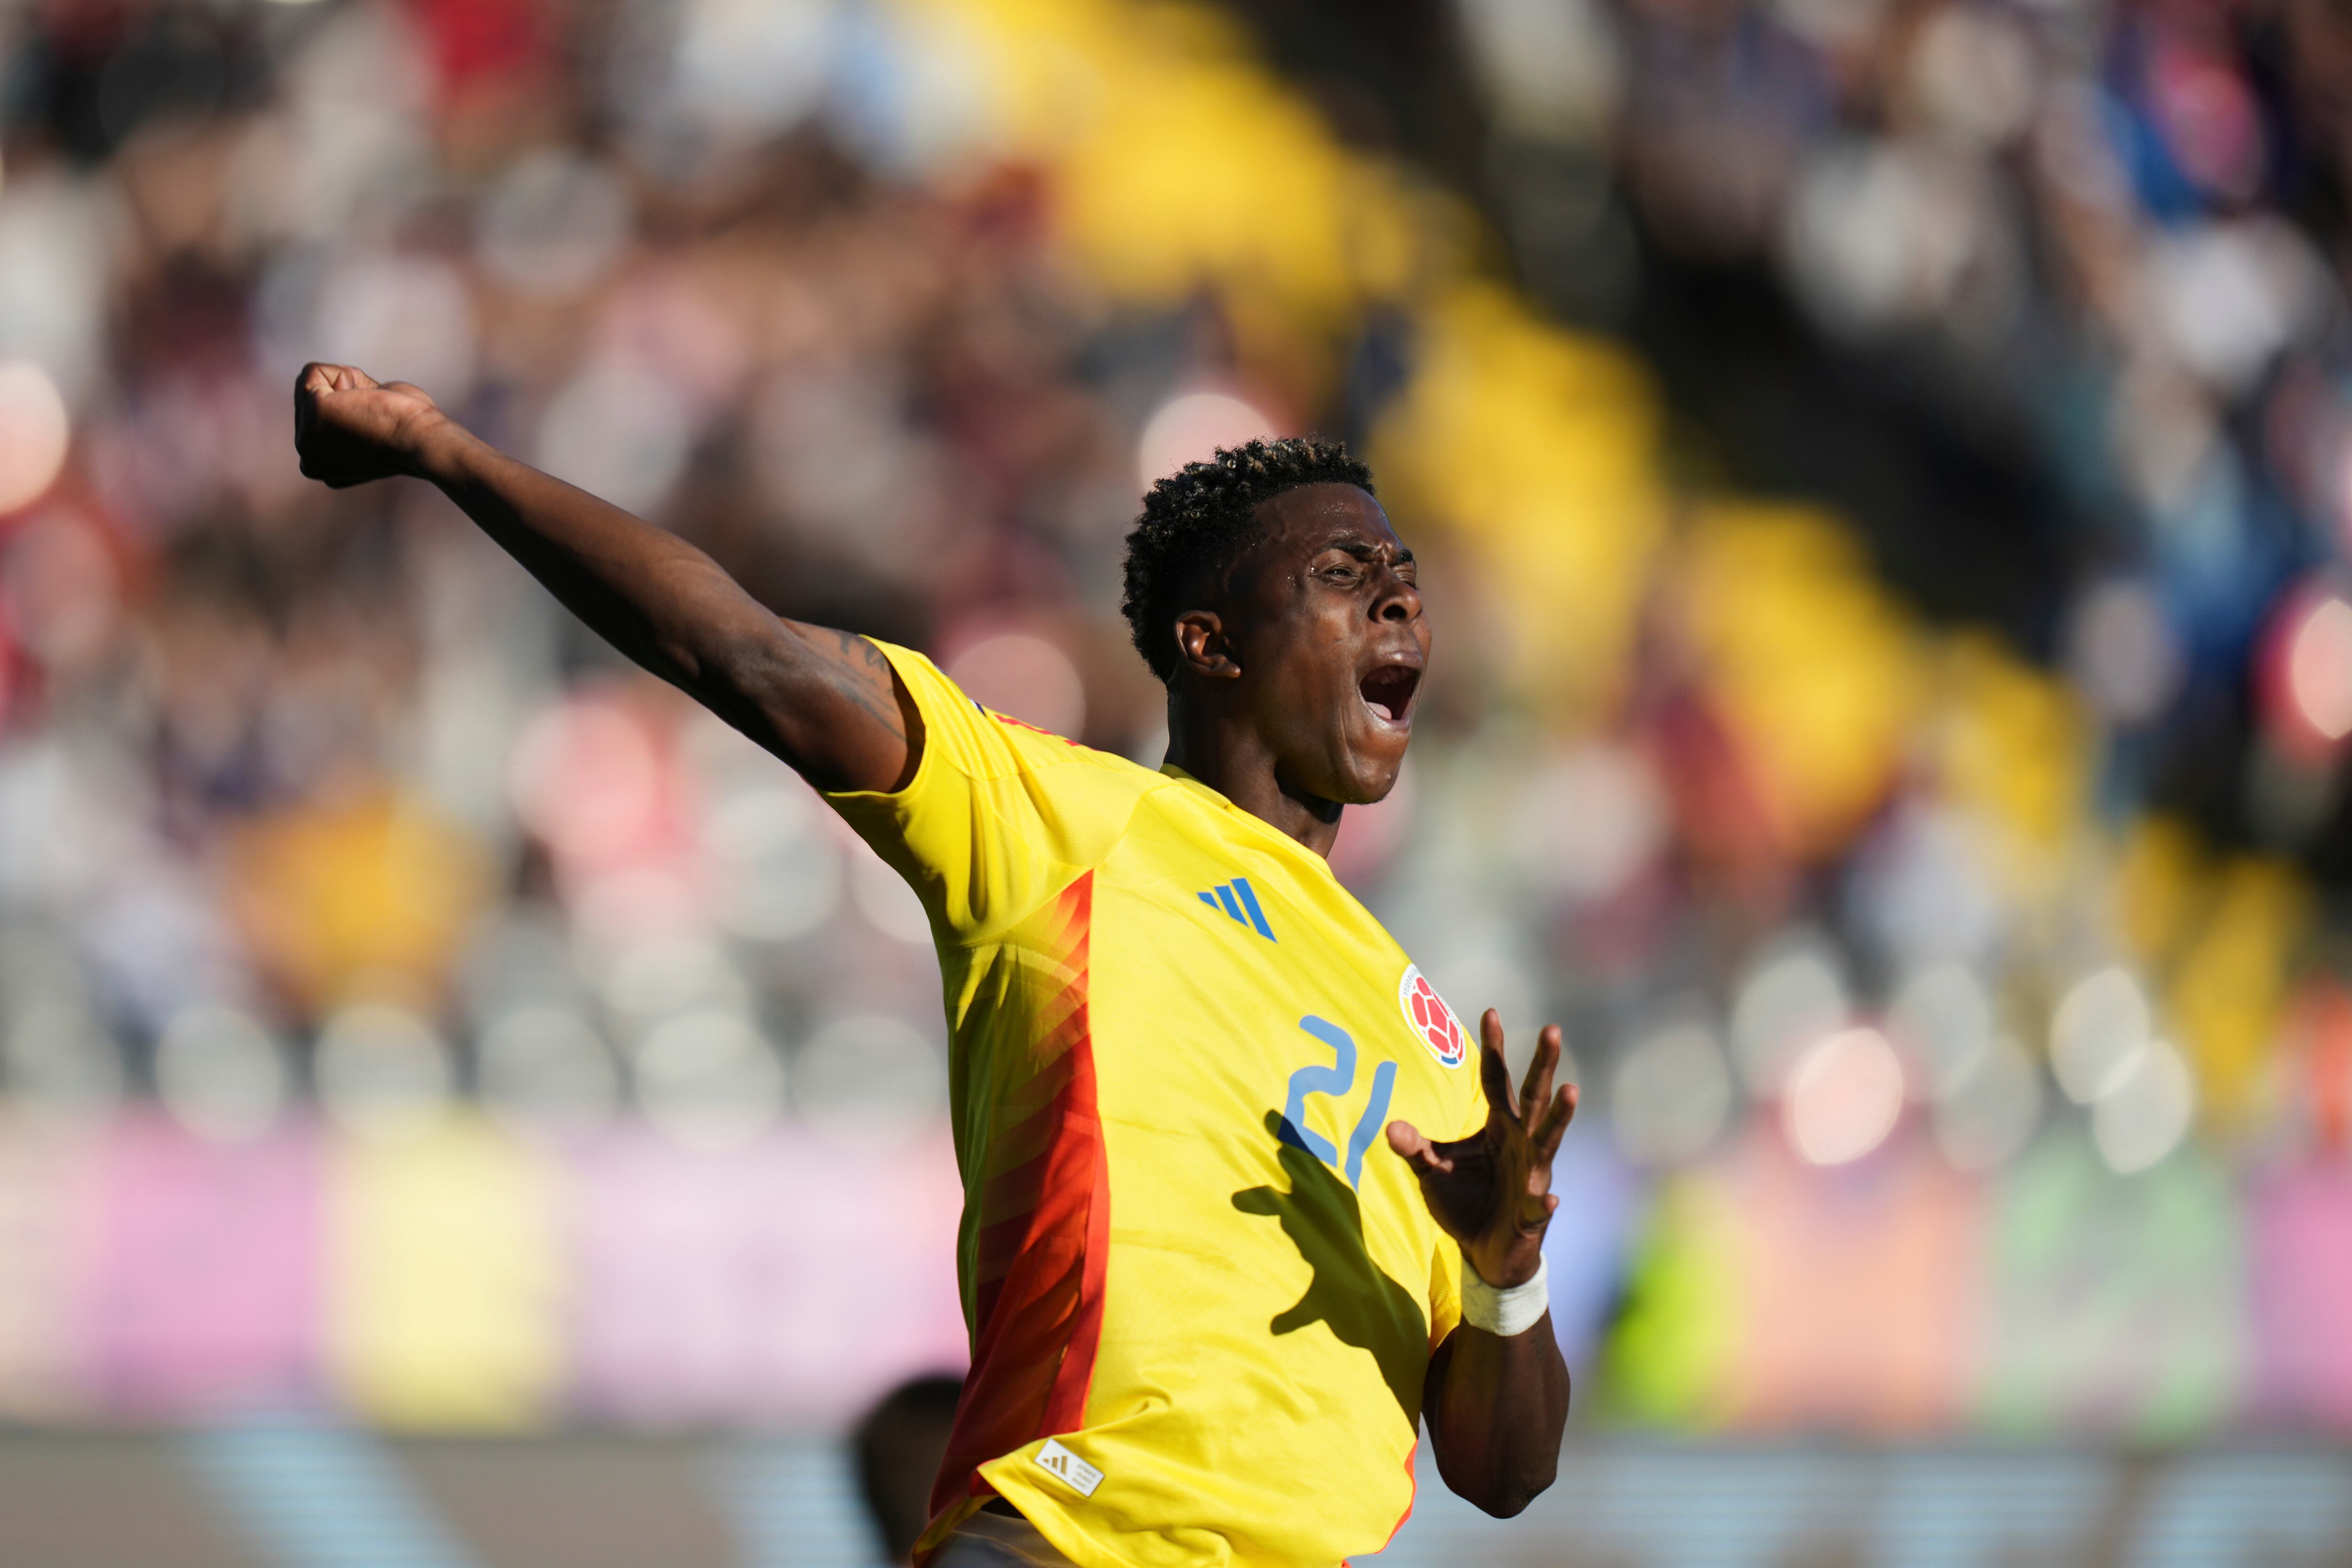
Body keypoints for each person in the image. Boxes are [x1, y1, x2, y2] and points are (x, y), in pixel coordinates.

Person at [294, 362, 1577, 1568]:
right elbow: (743, 654)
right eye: (1347, 574)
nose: (1402, 599)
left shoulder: (1439, 1050)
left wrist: (1504, 1270)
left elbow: (1504, 1472)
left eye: (1404, 576)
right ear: (1212, 646)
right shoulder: (1066, 821)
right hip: (1069, 1539)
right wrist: (440, 448)